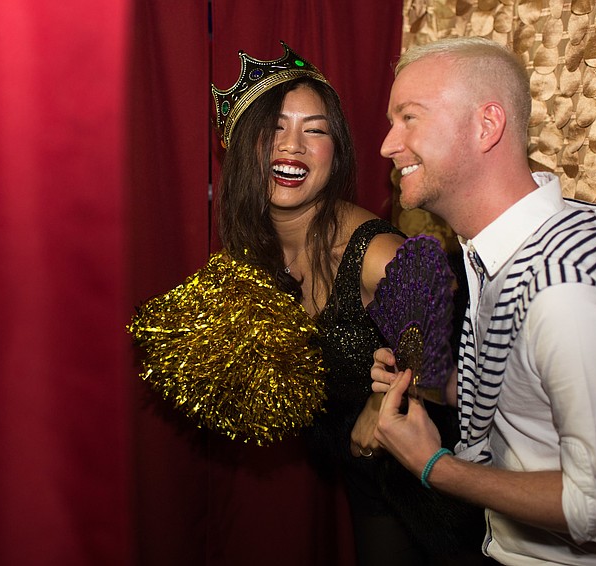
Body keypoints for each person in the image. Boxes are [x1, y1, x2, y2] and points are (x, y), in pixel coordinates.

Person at [371, 36, 596, 565]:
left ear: (486, 125)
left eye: (409, 118)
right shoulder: (516, 251)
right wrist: (442, 386)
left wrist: (434, 466)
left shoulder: (566, 290)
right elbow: (534, 400)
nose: (387, 144)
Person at [206, 41, 485, 564]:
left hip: (441, 483)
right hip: (365, 477)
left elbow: (437, 288)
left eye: (315, 130)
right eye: (275, 129)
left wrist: (385, 400)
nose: (293, 146)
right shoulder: (255, 251)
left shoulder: (369, 251)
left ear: (336, 153)